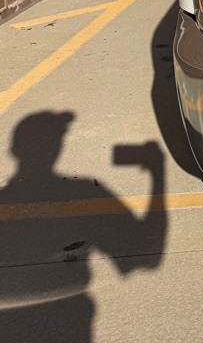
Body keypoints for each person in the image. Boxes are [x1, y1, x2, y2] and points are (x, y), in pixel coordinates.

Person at [0, 111, 166, 342]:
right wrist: (158, 176)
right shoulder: (83, 197)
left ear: (14, 151)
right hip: (67, 326)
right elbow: (147, 256)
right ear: (57, 148)